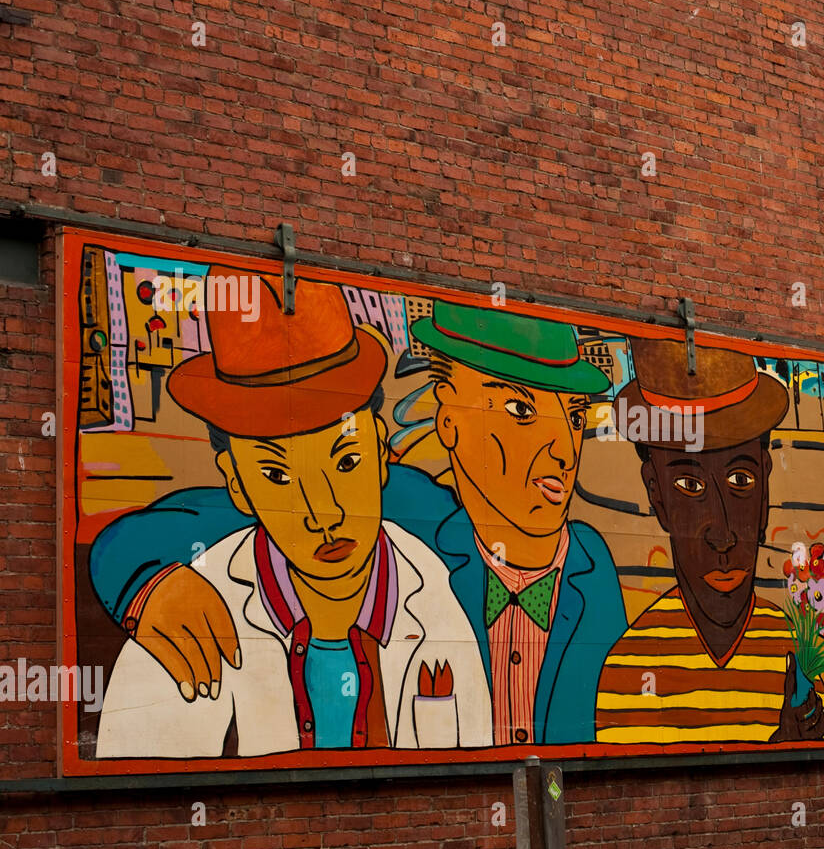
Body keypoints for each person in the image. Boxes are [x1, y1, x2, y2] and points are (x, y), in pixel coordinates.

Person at [90, 299, 627, 746]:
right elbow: (214, 518)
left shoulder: (592, 566)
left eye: (575, 416)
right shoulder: (416, 515)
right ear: (447, 419)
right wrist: (143, 579)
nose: (562, 449)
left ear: (375, 446)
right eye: (519, 411)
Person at [96, 271, 490, 756]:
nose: (322, 513)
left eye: (347, 462)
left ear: (383, 450)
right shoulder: (188, 621)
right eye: (277, 476)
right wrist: (142, 582)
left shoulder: (439, 593)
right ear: (237, 484)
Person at [594, 339, 824, 744]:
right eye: (689, 485)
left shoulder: (794, 658)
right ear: (657, 495)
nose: (722, 534)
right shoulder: (629, 669)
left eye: (742, 480)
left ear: (766, 492)